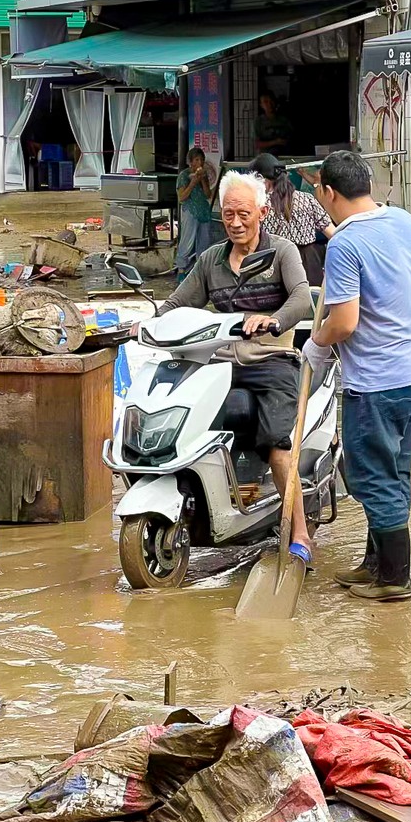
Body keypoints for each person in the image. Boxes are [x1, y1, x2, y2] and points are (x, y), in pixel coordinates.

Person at [156, 170, 314, 558]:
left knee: (278, 448)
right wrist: (150, 321)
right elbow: (178, 302)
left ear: (262, 211)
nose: (236, 222)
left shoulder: (281, 252)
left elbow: (301, 298)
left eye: (244, 213)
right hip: (222, 364)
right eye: (228, 214)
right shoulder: (211, 260)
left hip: (273, 362)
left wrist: (274, 320)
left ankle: (300, 533)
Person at [303, 151, 411, 602]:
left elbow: (344, 322)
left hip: (378, 379)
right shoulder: (402, 220)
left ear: (328, 192)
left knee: (369, 476)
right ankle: (377, 562)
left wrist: (318, 343)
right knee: (393, 468)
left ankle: (396, 578)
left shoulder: (344, 244)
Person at [250, 153, 335, 286]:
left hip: (276, 265)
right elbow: (334, 234)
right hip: (309, 265)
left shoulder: (260, 205)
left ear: (263, 180)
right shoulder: (306, 198)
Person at [175, 147, 216, 279]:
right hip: (190, 211)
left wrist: (203, 180)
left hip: (203, 212)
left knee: (204, 242)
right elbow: (182, 197)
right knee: (187, 241)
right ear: (191, 162)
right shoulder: (184, 176)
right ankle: (181, 270)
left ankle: (201, 271)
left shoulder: (204, 175)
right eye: (197, 160)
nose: (200, 163)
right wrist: (193, 182)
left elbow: (208, 194)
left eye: (201, 160)